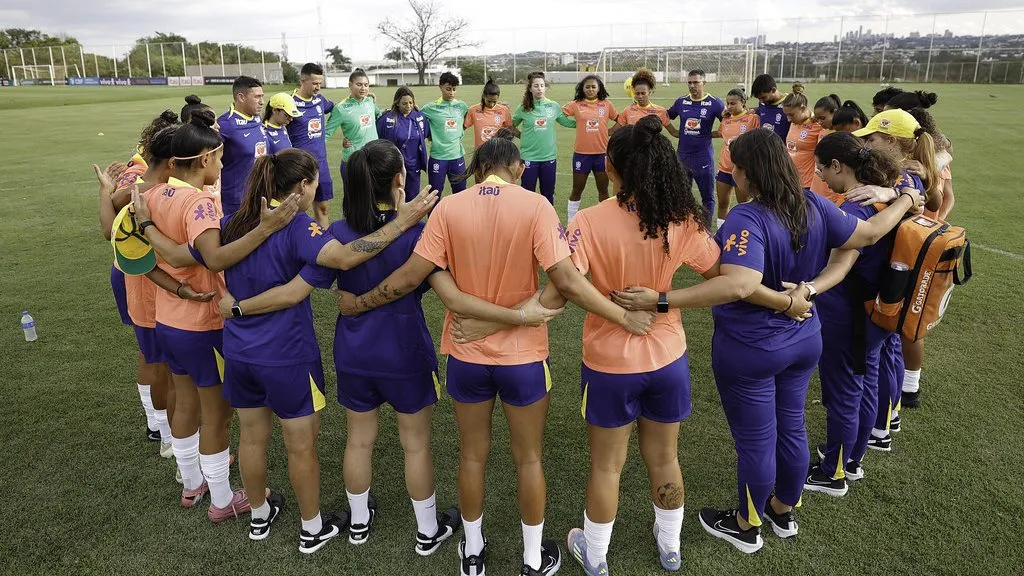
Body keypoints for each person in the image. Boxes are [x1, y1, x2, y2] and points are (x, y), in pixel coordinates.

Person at [334, 131, 654, 576]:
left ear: (478, 167)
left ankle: (472, 551)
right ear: (518, 168)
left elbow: (412, 277)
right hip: (523, 360)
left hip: (466, 355)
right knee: (529, 459)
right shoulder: (535, 205)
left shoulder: (449, 207)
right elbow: (566, 281)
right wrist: (619, 316)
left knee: (471, 456)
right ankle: (531, 557)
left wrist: (359, 302)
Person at [611, 128, 920, 554]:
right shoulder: (810, 202)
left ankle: (747, 525)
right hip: (804, 337)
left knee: (758, 438)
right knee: (790, 425)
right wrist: (905, 197)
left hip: (752, 347)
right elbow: (865, 236)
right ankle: (783, 509)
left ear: (747, 172)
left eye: (735, 167)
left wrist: (661, 300)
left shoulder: (747, 217)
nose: (731, 175)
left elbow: (738, 285)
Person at [209, 146, 439, 553]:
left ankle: (262, 518)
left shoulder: (233, 223)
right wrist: (402, 222)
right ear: (302, 185)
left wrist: (236, 305)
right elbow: (321, 275)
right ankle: (314, 528)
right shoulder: (303, 230)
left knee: (252, 439)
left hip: (242, 352)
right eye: (315, 182)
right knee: (309, 446)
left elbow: (207, 260)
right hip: (290, 354)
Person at [551, 116, 719, 575]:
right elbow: (721, 277)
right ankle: (670, 547)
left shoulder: (588, 219)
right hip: (667, 358)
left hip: (609, 363)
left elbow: (562, 285)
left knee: (607, 466)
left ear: (612, 166)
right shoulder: (680, 218)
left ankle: (597, 554)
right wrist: (664, 300)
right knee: (665, 457)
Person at [132, 110, 302, 523]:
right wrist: (265, 229)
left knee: (185, 403)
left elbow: (138, 260)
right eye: (220, 157)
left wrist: (173, 286)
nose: (224, 165)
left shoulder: (150, 197)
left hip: (169, 321)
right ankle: (223, 501)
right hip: (203, 321)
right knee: (216, 415)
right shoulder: (199, 203)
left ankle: (192, 485)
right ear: (205, 159)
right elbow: (215, 257)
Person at [802, 131, 907, 497]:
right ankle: (852, 459)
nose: (821, 177)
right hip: (877, 313)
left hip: (849, 315)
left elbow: (840, 268)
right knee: (865, 383)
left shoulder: (856, 209)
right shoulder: (889, 196)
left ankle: (834, 472)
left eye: (822, 169)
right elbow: (914, 181)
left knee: (845, 391)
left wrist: (808, 289)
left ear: (839, 166)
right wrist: (903, 193)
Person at [667, 69, 725, 216]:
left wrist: (714, 134)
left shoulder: (715, 103)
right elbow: (666, 116)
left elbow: (729, 122)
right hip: (682, 158)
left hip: (703, 157)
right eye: (690, 82)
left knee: (707, 197)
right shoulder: (681, 102)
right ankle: (685, 230)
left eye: (696, 82)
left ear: (704, 82)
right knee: (681, 197)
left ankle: (705, 232)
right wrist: (674, 132)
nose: (692, 86)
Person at [512, 71, 575, 205]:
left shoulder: (553, 106)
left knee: (548, 193)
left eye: (542, 85)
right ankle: (527, 222)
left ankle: (548, 222)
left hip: (548, 157)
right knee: (528, 193)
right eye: (536, 86)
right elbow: (511, 126)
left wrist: (583, 122)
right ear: (530, 88)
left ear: (545, 87)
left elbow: (565, 122)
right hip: (529, 157)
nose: (539, 88)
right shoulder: (523, 108)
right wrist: (522, 136)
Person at [562, 74, 617, 222]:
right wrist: (574, 124)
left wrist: (610, 131)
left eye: (593, 86)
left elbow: (619, 119)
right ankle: (570, 222)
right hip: (581, 155)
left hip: (601, 154)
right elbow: (559, 114)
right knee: (577, 190)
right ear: (582, 88)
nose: (590, 89)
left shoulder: (606, 105)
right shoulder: (576, 104)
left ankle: (604, 222)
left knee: (603, 191)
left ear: (599, 88)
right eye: (587, 87)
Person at [288, 63, 336, 227]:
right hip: (299, 167)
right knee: (294, 210)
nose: (318, 87)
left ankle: (325, 244)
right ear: (303, 80)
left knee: (322, 208)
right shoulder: (290, 103)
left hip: (321, 164)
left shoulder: (320, 100)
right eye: (315, 83)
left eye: (320, 83)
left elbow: (338, 109)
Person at [217, 76, 267, 217]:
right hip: (236, 202)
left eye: (262, 96)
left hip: (259, 197)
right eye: (257, 97)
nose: (262, 102)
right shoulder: (225, 125)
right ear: (241, 97)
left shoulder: (257, 118)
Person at [326, 68, 381, 187]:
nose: (363, 88)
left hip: (373, 159)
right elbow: (326, 133)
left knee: (372, 198)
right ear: (350, 85)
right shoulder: (341, 108)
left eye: (366, 85)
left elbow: (380, 115)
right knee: (353, 201)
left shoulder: (370, 101)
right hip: (353, 161)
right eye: (359, 84)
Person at [714, 88, 760, 227]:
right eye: (727, 103)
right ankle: (721, 232)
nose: (729, 107)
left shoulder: (753, 119)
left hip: (743, 170)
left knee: (745, 206)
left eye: (733, 103)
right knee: (722, 204)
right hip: (724, 169)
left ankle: (746, 231)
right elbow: (721, 134)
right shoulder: (726, 119)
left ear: (743, 102)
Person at [420, 71, 471, 196]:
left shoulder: (462, 106)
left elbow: (478, 111)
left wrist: (498, 105)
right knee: (434, 195)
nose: (452, 92)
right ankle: (434, 216)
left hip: (457, 157)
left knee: (460, 194)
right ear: (440, 87)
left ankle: (459, 216)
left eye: (454, 89)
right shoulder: (430, 108)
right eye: (448, 89)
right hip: (438, 158)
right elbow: (414, 114)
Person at [377, 86, 431, 201]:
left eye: (411, 103)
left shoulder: (420, 117)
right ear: (397, 103)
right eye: (404, 103)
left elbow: (425, 134)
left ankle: (411, 219)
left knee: (412, 197)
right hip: (393, 165)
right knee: (394, 196)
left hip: (413, 166)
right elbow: (375, 137)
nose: (409, 106)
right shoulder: (387, 118)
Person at [781, 92, 835, 202]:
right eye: (786, 115)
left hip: (807, 183)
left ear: (803, 108)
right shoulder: (794, 123)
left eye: (791, 115)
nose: (788, 119)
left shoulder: (818, 126)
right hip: (790, 179)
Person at [615, 69, 675, 134]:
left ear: (650, 93)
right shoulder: (627, 111)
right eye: (637, 93)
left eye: (643, 93)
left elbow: (673, 132)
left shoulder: (661, 111)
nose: (640, 96)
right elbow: (614, 131)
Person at [465, 78, 513, 151]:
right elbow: (463, 127)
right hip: (480, 152)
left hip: (498, 151)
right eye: (489, 101)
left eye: (494, 101)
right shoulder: (473, 110)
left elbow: (509, 130)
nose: (491, 104)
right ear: (484, 96)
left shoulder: (504, 110)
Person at [750, 74, 790, 140]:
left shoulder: (790, 103)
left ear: (773, 90)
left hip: (781, 148)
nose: (761, 101)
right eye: (759, 98)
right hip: (764, 146)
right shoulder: (762, 103)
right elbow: (761, 110)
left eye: (763, 97)